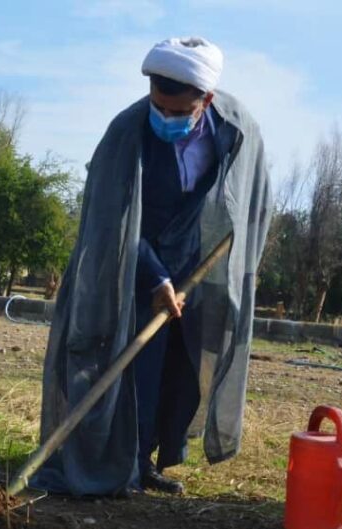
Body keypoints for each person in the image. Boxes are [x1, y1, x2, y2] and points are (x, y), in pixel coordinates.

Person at [34, 37, 271, 497]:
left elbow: (250, 195)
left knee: (179, 370)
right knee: (132, 367)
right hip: (133, 264)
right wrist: (157, 278)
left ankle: (150, 461)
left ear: (206, 100)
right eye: (157, 106)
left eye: (178, 112)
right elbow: (111, 221)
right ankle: (120, 464)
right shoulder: (126, 132)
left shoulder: (236, 128)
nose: (165, 118)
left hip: (198, 264)